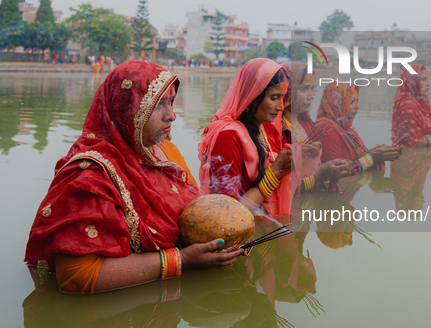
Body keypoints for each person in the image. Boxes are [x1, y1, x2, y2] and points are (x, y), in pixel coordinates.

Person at [24, 61, 241, 294]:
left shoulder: (165, 151)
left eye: (170, 101)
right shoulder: (90, 176)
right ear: (127, 109)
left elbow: (192, 215)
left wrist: (222, 240)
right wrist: (181, 261)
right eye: (158, 105)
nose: (172, 115)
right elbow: (76, 277)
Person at [198, 58, 292, 216]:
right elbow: (227, 213)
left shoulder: (261, 127)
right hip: (242, 234)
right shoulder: (228, 137)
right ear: (252, 97)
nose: (281, 107)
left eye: (281, 97)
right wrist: (276, 171)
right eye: (274, 98)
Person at [279, 63, 353, 191]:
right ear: (287, 90)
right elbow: (281, 187)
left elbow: (316, 166)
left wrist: (329, 177)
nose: (311, 96)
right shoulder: (278, 131)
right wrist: (320, 173)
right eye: (304, 89)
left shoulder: (307, 126)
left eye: (312, 89)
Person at [315, 82, 402, 170]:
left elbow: (355, 160)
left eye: (357, 101)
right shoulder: (326, 128)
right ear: (337, 103)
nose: (357, 106)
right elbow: (338, 174)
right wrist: (373, 156)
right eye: (351, 102)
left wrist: (376, 153)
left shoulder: (346, 128)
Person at [391, 64, 431, 147]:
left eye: (427, 79)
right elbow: (412, 144)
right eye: (423, 80)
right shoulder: (407, 105)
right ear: (412, 82)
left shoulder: (421, 100)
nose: (428, 84)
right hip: (411, 158)